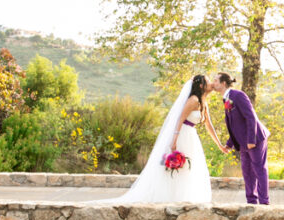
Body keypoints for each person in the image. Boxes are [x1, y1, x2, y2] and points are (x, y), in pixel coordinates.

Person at [107, 75, 226, 205]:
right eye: (208, 81)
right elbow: (180, 120)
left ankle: (184, 197)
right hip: (183, 135)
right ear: (201, 86)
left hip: (192, 136)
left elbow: (209, 125)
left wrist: (219, 144)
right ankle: (172, 197)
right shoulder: (193, 100)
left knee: (189, 168)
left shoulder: (203, 102)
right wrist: (174, 140)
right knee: (179, 166)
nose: (211, 84)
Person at [211, 72, 270, 205]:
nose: (213, 83)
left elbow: (250, 117)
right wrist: (229, 144)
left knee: (259, 170)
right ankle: (251, 202)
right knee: (247, 172)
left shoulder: (238, 95)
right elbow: (234, 124)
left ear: (223, 83)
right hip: (242, 143)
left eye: (215, 81)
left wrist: (251, 140)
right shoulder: (226, 99)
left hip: (255, 139)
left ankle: (264, 203)